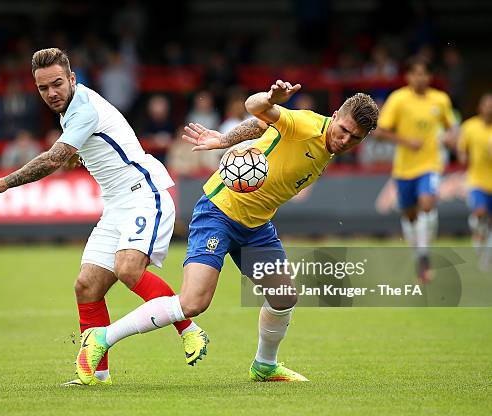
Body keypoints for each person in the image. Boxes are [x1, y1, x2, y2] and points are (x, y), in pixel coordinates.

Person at [74, 80, 379, 384]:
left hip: (256, 226)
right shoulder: (304, 124)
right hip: (218, 213)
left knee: (283, 296)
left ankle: (264, 365)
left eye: (355, 138)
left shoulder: (326, 144)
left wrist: (224, 140)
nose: (345, 140)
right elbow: (256, 108)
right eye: (343, 130)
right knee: (194, 302)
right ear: (336, 114)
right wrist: (271, 97)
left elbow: (260, 126)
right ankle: (102, 337)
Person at [0, 48, 205, 386]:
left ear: (72, 79)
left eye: (58, 83)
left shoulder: (83, 109)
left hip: (144, 193)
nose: (52, 93)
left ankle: (189, 327)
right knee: (86, 286)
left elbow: (54, 158)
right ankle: (98, 374)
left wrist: (5, 182)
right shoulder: (70, 109)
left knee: (128, 268)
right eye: (43, 88)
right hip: (116, 203)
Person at [375, 58, 457, 282]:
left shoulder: (440, 100)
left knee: (427, 203)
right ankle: (418, 253)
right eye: (415, 73)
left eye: (424, 74)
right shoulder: (399, 99)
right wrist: (405, 141)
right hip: (404, 168)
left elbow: (451, 128)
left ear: (430, 77)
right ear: (408, 76)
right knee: (410, 215)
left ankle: (424, 256)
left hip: (431, 164)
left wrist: (451, 138)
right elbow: (380, 131)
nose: (420, 78)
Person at [457, 93, 492, 270]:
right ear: (480, 108)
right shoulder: (470, 127)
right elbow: (462, 152)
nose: (490, 108)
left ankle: (487, 258)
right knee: (480, 213)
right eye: (487, 105)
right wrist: (463, 156)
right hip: (477, 181)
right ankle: (480, 250)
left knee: (490, 223)